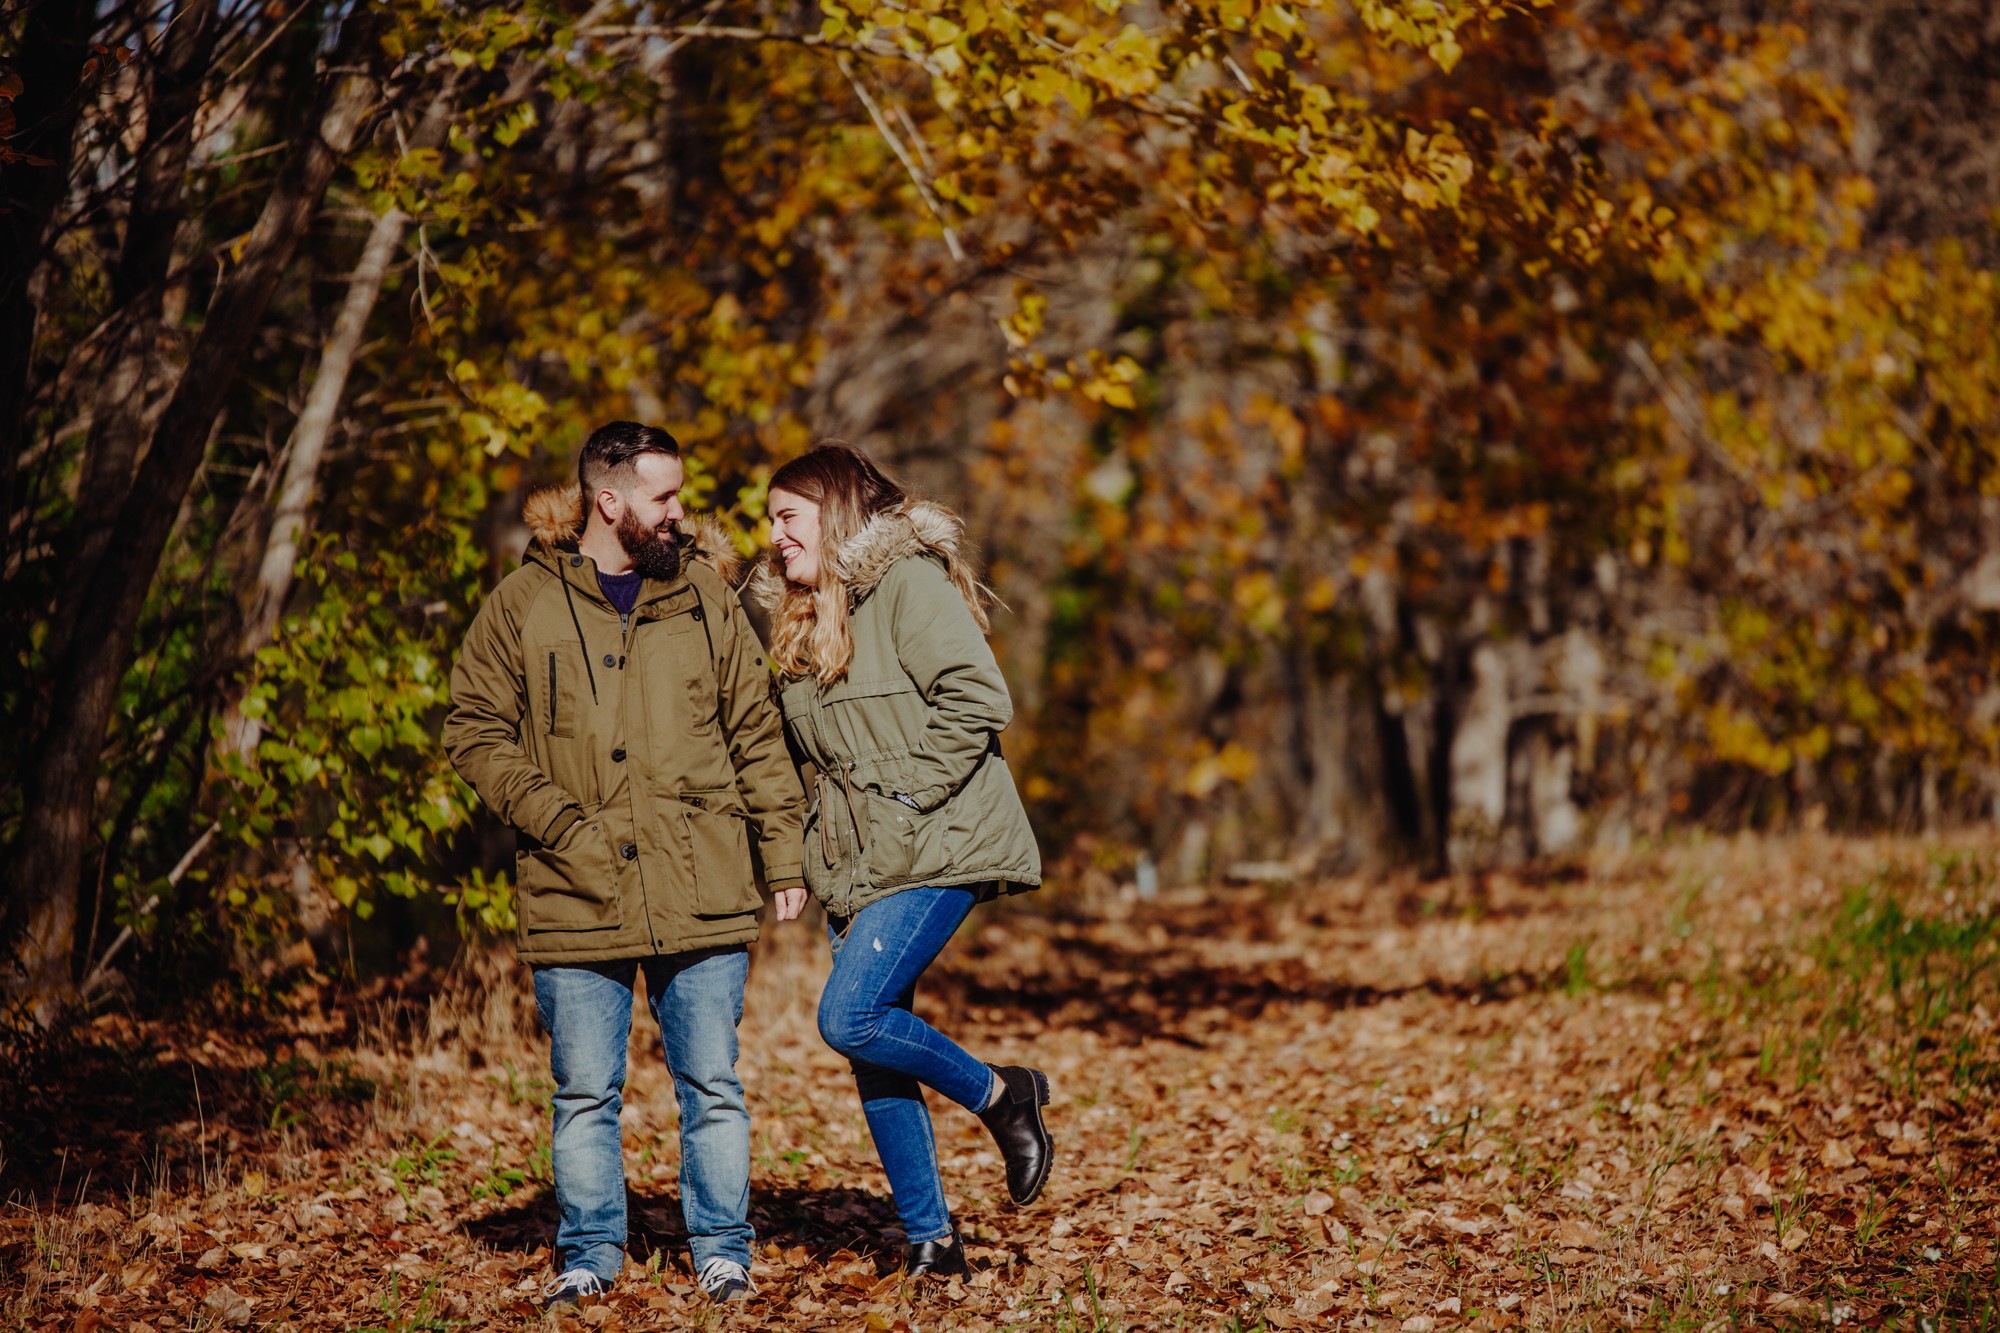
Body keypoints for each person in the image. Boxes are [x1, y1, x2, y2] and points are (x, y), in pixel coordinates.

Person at [443, 421, 807, 1308]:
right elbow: (473, 729)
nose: (680, 512)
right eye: (664, 495)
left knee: (713, 1085)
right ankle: (590, 1252)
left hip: (702, 878)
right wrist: (556, 818)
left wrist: (783, 853)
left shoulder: (706, 597)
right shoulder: (523, 603)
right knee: (583, 1092)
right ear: (609, 500)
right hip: (575, 885)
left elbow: (756, 731)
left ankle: (722, 1248)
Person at [756, 443, 1052, 1279]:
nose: (774, 536)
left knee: (849, 1015)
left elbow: (979, 697)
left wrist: (904, 796)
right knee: (875, 1047)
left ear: (836, 511)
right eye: (769, 521)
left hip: (937, 841)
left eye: (788, 517)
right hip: (858, 861)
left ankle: (1004, 1094)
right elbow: (792, 753)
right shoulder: (804, 618)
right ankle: (933, 1239)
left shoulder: (907, 583)